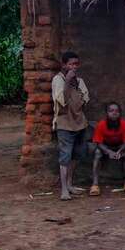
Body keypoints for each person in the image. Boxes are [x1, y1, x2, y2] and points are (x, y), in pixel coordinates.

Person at [51, 51, 90, 201]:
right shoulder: (58, 80)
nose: (74, 67)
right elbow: (62, 100)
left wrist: (74, 84)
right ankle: (64, 190)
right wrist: (67, 81)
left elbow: (85, 99)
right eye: (71, 64)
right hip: (64, 123)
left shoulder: (80, 81)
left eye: (76, 64)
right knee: (65, 157)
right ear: (64, 65)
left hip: (79, 123)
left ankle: (70, 184)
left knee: (76, 155)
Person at [91, 102, 125, 196]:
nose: (114, 113)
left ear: (120, 113)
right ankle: (95, 184)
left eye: (117, 111)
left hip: (120, 146)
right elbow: (98, 142)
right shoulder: (101, 125)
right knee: (97, 154)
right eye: (111, 111)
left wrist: (120, 151)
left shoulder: (124, 124)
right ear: (107, 113)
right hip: (105, 146)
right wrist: (108, 152)